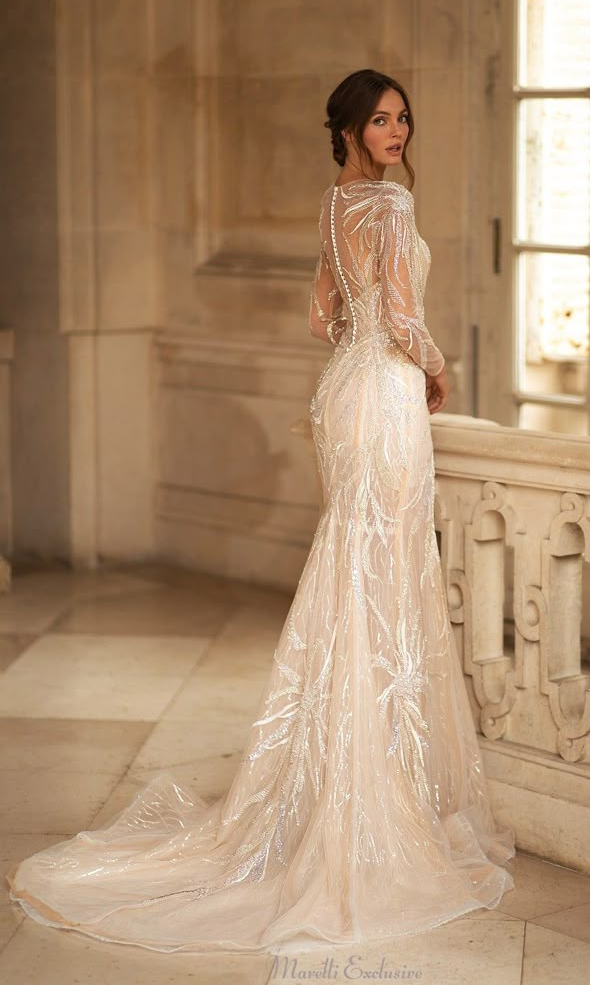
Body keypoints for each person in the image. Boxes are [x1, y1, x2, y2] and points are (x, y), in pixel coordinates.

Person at [5, 68, 515, 954]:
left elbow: (322, 313)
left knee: (351, 575)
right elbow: (397, 316)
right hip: (386, 397)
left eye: (403, 119)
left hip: (341, 396)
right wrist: (437, 367)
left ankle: (334, 784)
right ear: (352, 127)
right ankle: (367, 797)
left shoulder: (333, 204)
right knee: (383, 579)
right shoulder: (388, 210)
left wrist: (368, 343)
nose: (396, 132)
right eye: (381, 119)